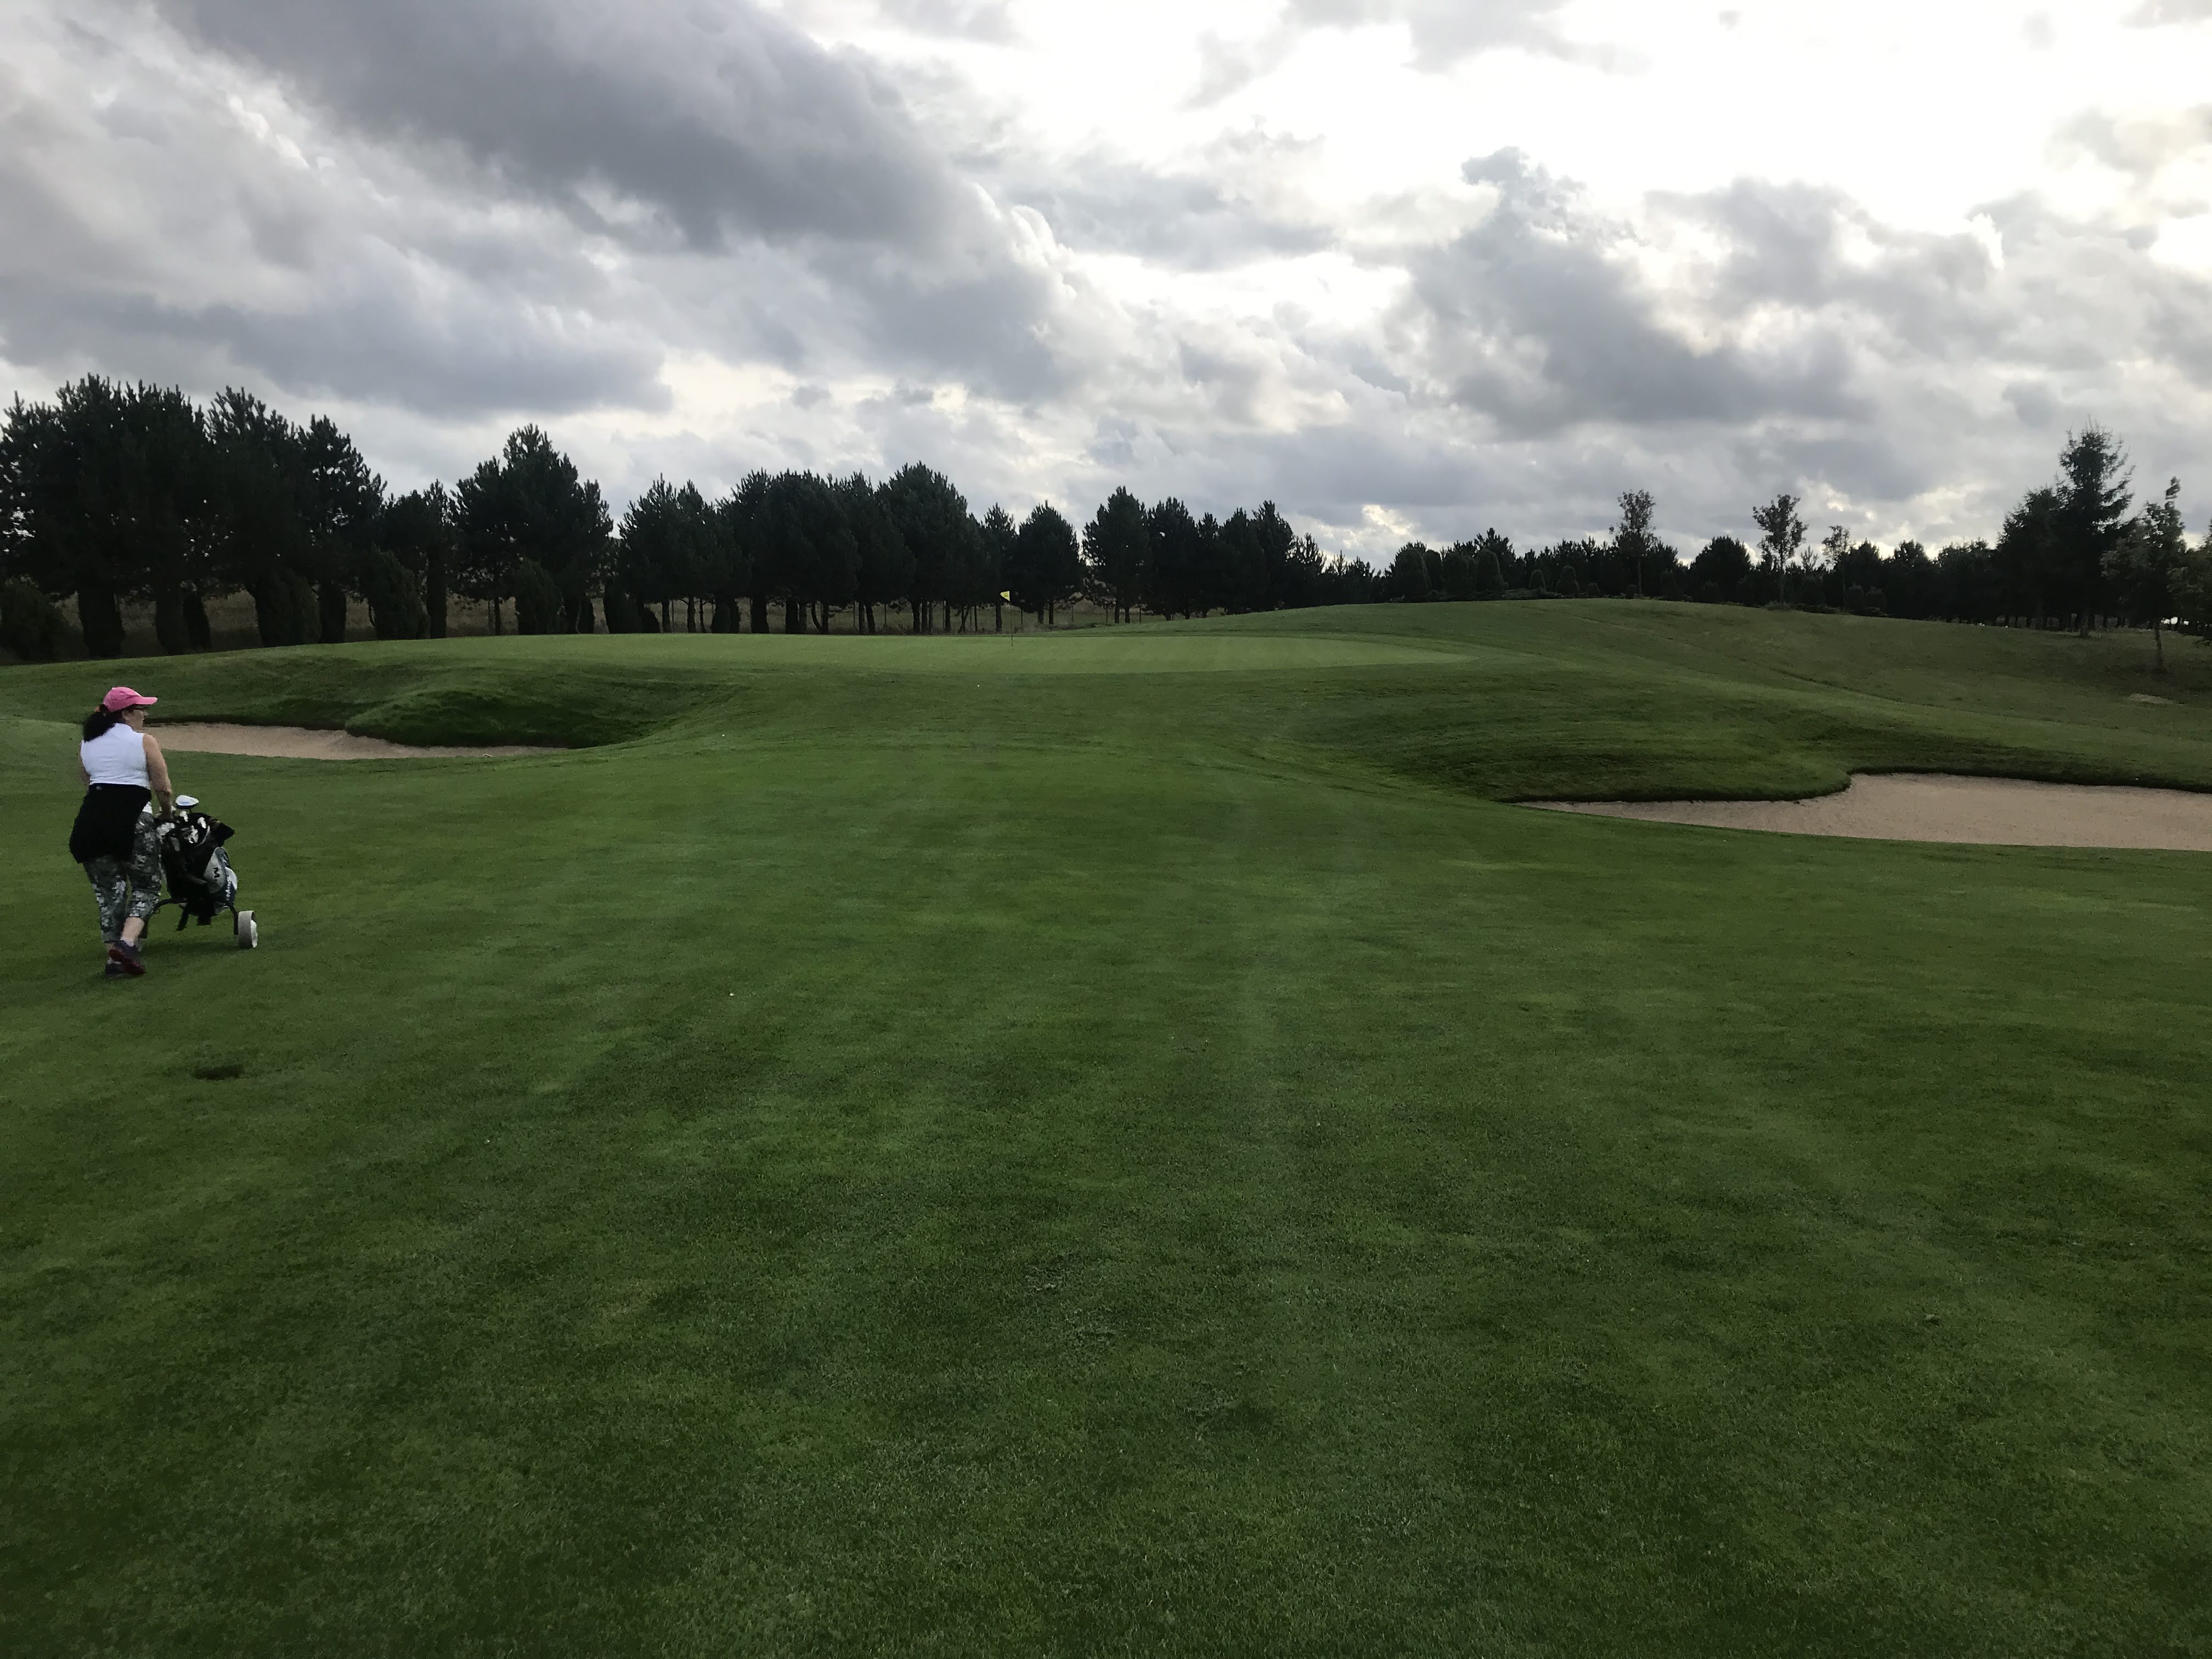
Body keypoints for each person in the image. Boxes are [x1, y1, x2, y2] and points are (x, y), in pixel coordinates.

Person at [69, 686, 174, 978]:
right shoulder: (144, 741)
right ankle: (126, 944)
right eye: (141, 709)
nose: (145, 715)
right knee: (147, 886)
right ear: (126, 714)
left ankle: (114, 960)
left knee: (109, 893)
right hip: (133, 820)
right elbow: (163, 788)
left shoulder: (88, 742)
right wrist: (166, 813)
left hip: (90, 823)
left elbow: (88, 781)